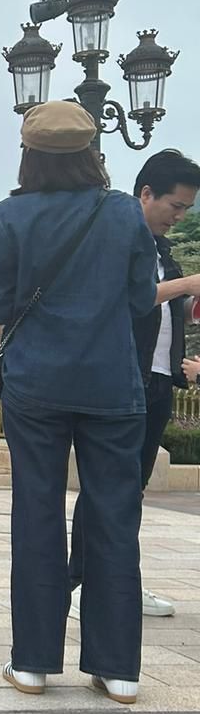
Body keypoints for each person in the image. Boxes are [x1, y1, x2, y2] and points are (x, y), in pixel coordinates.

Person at [0, 102, 158, 705]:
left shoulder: (7, 216)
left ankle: (32, 664)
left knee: (36, 513)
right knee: (114, 519)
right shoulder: (124, 213)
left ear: (29, 155)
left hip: (35, 386)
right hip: (112, 385)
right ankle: (119, 670)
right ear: (92, 153)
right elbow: (141, 300)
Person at [69, 148, 200, 619]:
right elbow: (126, 299)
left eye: (186, 209)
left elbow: (164, 309)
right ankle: (79, 581)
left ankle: (121, 582)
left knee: (132, 492)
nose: (179, 217)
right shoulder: (116, 240)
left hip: (159, 381)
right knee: (104, 489)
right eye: (175, 206)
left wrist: (189, 302)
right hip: (122, 382)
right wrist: (187, 286)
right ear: (146, 193)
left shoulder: (163, 251)